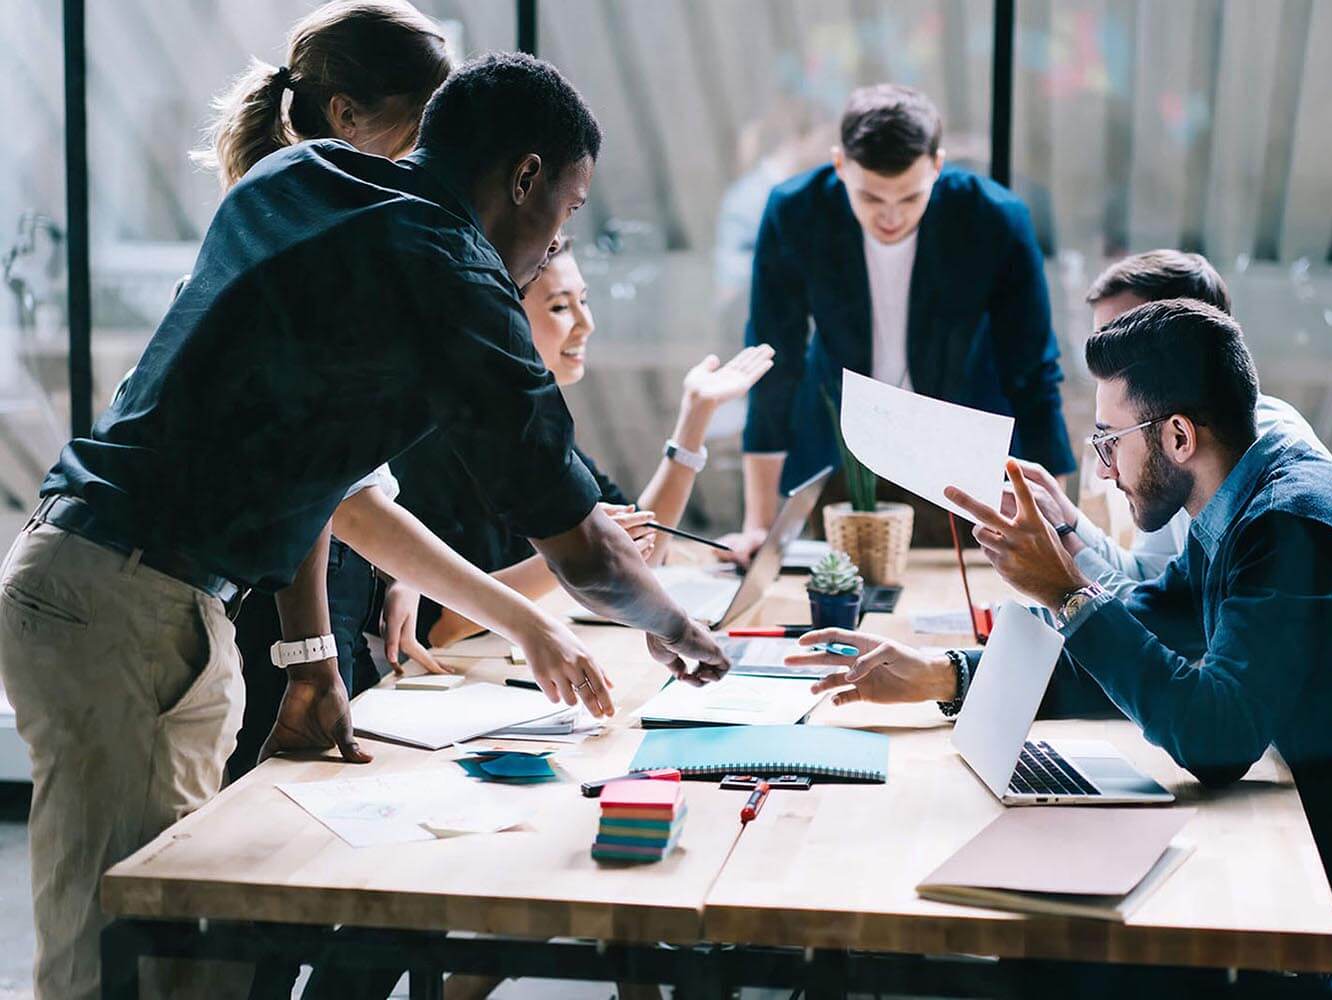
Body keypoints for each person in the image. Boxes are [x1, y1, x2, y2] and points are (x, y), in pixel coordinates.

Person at [0, 52, 727, 1000]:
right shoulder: (448, 271)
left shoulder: (300, 177)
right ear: (526, 177)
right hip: (132, 605)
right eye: (569, 212)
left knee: (184, 955)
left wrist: (312, 657)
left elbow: (332, 486)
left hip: (108, 581)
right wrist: (681, 632)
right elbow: (580, 544)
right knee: (132, 963)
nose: (556, 245)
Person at [796, 299, 1332, 996]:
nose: (1105, 468)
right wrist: (945, 674)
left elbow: (1215, 740)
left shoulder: (1289, 524)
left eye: (1110, 441)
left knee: (1064, 954)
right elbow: (1151, 622)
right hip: (1315, 833)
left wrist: (1068, 593)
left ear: (1178, 436)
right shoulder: (1242, 501)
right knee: (1047, 932)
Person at [180, 0, 459, 786]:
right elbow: (334, 494)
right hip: (242, 605)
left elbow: (333, 480)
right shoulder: (290, 259)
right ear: (345, 115)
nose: (422, 167)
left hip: (293, 603)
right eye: (419, 135)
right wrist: (534, 627)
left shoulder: (295, 237)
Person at [729, 83, 1074, 557]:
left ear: (937, 165)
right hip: (841, 457)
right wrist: (759, 525)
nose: (890, 217)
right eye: (870, 198)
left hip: (963, 458)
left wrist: (1056, 529)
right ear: (839, 165)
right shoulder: (794, 212)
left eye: (910, 199)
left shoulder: (994, 218)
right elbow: (773, 365)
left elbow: (1032, 371)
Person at [394, 236, 775, 648]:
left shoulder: (537, 428)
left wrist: (695, 415)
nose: (586, 323)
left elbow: (642, 548)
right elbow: (441, 625)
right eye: (559, 306)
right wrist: (580, 555)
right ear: (499, 317)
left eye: (584, 300)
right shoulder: (437, 440)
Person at [1008, 249, 1332, 598]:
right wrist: (1065, 519)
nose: (1106, 364)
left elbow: (1169, 636)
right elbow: (1153, 587)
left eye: (1122, 337)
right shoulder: (1175, 460)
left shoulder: (1243, 474)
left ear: (1183, 332)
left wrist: (1064, 567)